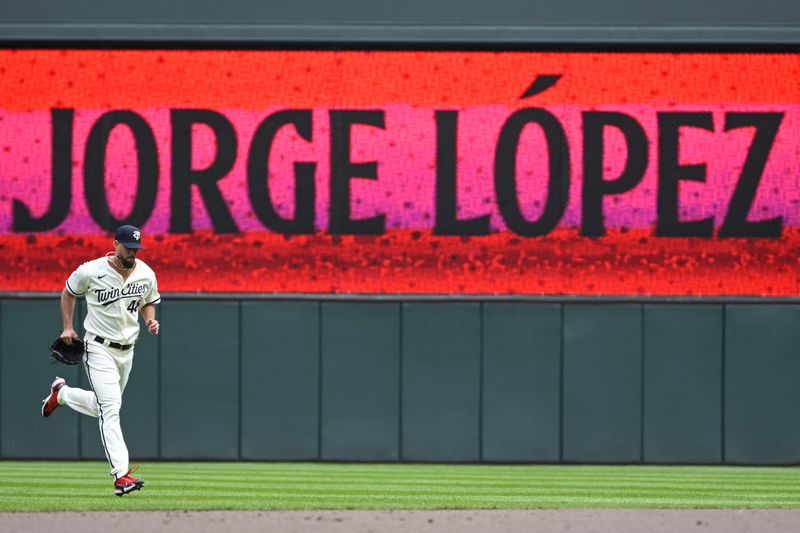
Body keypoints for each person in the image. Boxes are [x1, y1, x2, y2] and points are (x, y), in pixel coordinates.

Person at [40, 224, 161, 497]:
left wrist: (150, 319)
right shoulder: (91, 270)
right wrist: (67, 327)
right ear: (115, 243)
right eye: (129, 247)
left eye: (136, 248)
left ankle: (63, 394)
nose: (133, 252)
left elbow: (148, 300)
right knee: (111, 409)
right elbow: (69, 291)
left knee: (104, 406)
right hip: (98, 348)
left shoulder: (145, 273)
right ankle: (121, 475)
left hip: (127, 349)